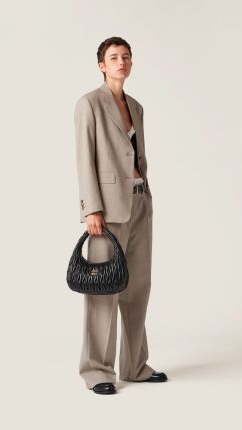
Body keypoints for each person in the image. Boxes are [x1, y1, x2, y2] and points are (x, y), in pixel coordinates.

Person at [74, 36, 168, 395]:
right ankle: (97, 371)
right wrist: (91, 208)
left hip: (140, 202)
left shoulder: (136, 107)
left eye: (126, 56)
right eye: (113, 57)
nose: (121, 62)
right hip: (108, 209)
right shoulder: (89, 104)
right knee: (103, 291)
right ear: (102, 65)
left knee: (138, 287)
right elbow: (84, 157)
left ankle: (135, 366)